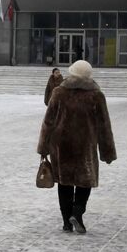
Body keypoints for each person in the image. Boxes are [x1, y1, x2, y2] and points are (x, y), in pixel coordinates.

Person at [38, 60, 117, 234]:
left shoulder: (59, 92)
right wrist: (107, 152)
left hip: (61, 144)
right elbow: (104, 126)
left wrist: (43, 147)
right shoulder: (96, 95)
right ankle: (77, 212)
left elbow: (48, 122)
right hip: (85, 145)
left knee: (64, 183)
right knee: (84, 181)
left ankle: (67, 222)